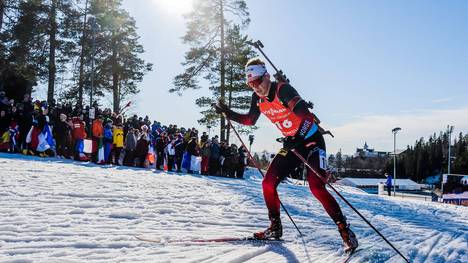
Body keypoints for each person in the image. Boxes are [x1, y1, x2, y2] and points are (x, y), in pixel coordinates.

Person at [214, 57, 358, 252]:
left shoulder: (283, 90)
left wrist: (297, 139)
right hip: (293, 144)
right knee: (268, 183)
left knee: (316, 187)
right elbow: (250, 120)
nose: (255, 87)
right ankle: (275, 227)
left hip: (312, 141)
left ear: (266, 76)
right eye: (250, 84)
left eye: (257, 81)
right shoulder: (257, 98)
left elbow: (307, 118)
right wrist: (228, 113)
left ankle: (344, 230)